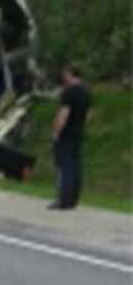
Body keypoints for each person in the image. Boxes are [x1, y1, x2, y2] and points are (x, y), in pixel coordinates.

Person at [50, 64, 92, 210]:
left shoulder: (69, 93)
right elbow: (88, 115)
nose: (63, 77)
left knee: (64, 166)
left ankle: (64, 199)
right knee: (76, 165)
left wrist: (56, 132)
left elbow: (64, 114)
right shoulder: (86, 93)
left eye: (65, 74)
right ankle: (74, 198)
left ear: (70, 74)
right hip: (77, 132)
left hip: (66, 134)